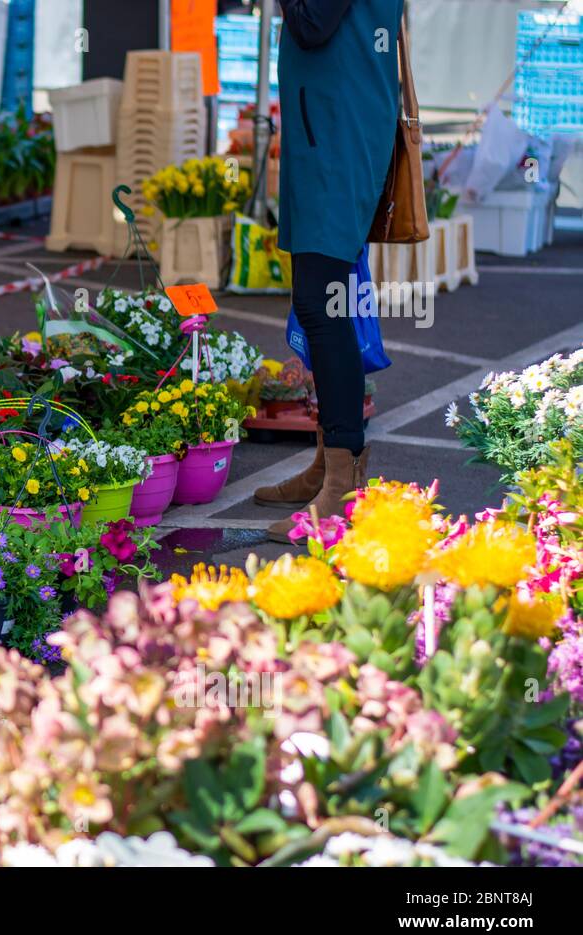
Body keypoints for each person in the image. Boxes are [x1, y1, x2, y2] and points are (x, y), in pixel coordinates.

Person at [256, 0, 404, 541]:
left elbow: (312, 21)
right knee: (320, 301)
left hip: (335, 135)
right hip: (328, 128)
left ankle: (343, 481)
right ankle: (329, 462)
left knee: (324, 305)